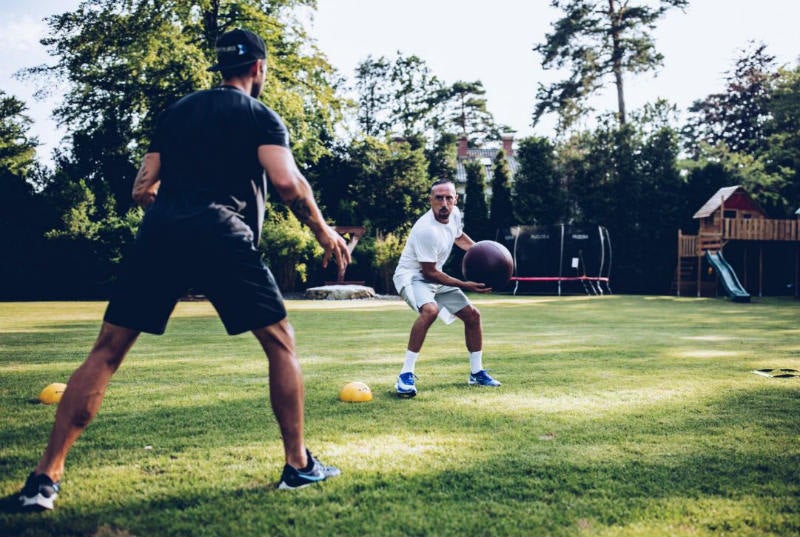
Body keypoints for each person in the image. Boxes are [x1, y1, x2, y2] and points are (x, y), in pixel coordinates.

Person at [18, 28, 351, 511]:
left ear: (221, 67)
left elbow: (142, 189)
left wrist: (178, 204)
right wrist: (323, 231)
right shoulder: (260, 116)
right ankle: (298, 466)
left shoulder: (175, 113)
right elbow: (286, 182)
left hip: (161, 232)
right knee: (280, 344)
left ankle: (44, 478)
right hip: (223, 232)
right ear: (259, 68)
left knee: (107, 350)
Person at [392, 179, 501, 398]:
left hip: (435, 277)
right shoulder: (426, 230)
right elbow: (429, 273)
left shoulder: (455, 215)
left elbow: (459, 237)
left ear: (456, 199)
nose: (444, 203)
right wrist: (465, 285)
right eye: (439, 198)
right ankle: (405, 375)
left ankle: (476, 372)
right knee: (430, 311)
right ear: (430, 200)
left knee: (472, 315)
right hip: (412, 277)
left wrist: (486, 254)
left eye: (449, 198)